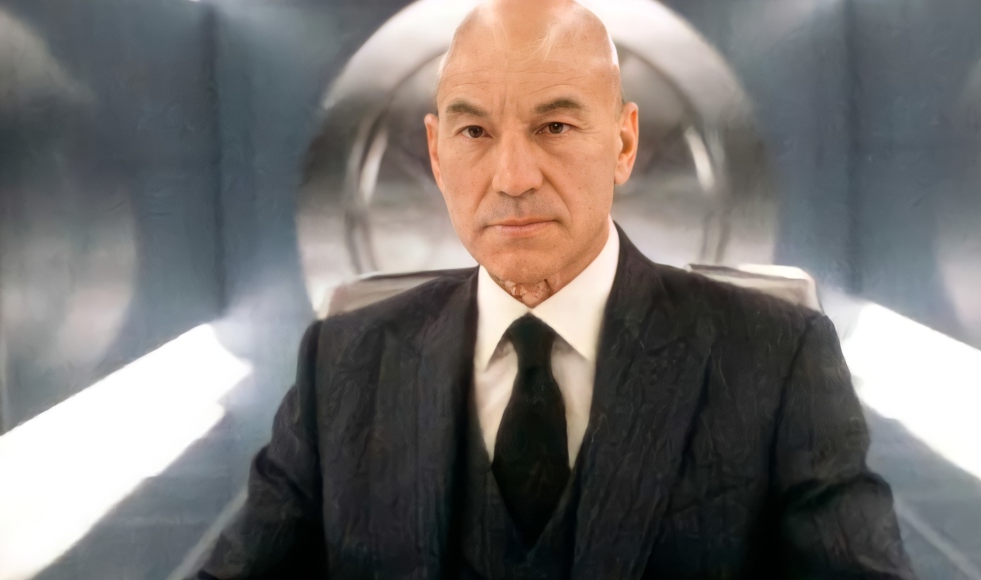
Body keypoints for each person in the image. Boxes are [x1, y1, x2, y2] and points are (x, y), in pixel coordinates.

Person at [195, 1, 915, 578]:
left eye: (556, 125)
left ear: (624, 143)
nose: (513, 177)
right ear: (438, 155)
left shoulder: (775, 355)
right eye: (474, 132)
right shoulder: (342, 362)